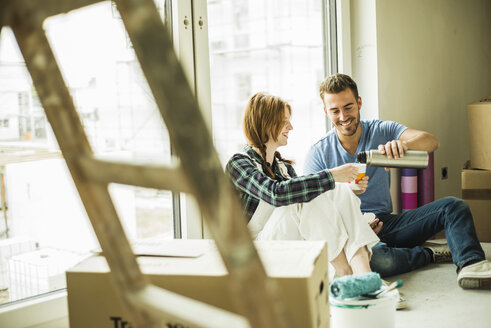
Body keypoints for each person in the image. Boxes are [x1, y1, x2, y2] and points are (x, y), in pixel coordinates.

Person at [304, 73, 491, 290]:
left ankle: (472, 264)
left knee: (453, 206)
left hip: (387, 223)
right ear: (326, 111)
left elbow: (431, 142)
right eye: (335, 111)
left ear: (359, 103)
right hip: (351, 232)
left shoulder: (380, 130)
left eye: (348, 107)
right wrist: (357, 230)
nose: (343, 116)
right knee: (379, 261)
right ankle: (429, 253)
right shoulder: (318, 153)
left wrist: (403, 146)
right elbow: (313, 209)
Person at [226, 92, 380, 278]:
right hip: (253, 251)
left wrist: (349, 196)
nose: (290, 126)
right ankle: (344, 272)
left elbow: (312, 216)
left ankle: (365, 274)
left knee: (334, 189)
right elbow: (277, 194)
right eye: (284, 121)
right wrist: (332, 175)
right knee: (307, 193)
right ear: (265, 123)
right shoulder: (239, 164)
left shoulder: (283, 168)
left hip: (287, 243)